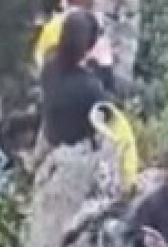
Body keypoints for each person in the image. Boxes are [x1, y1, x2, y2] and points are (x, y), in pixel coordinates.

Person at [37, 9, 116, 149]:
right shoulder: (88, 88)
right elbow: (110, 114)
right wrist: (106, 68)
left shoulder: (49, 66)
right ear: (87, 47)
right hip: (76, 150)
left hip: (53, 135)